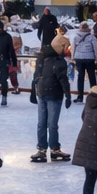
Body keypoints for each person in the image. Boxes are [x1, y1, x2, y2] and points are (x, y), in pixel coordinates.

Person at [29, 34, 71, 163]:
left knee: (42, 123)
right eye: (66, 47)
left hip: (42, 93)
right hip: (53, 95)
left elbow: (36, 76)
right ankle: (53, 149)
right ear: (61, 47)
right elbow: (63, 79)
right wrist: (68, 95)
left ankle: (43, 149)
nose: (68, 50)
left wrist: (34, 90)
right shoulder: (59, 61)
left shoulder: (41, 57)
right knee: (51, 124)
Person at [71, 21, 97, 103]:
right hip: (89, 58)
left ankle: (80, 96)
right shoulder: (92, 37)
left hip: (79, 58)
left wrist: (73, 57)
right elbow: (95, 48)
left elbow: (73, 47)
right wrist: (96, 57)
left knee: (80, 77)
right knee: (92, 76)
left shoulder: (76, 37)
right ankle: (94, 95)